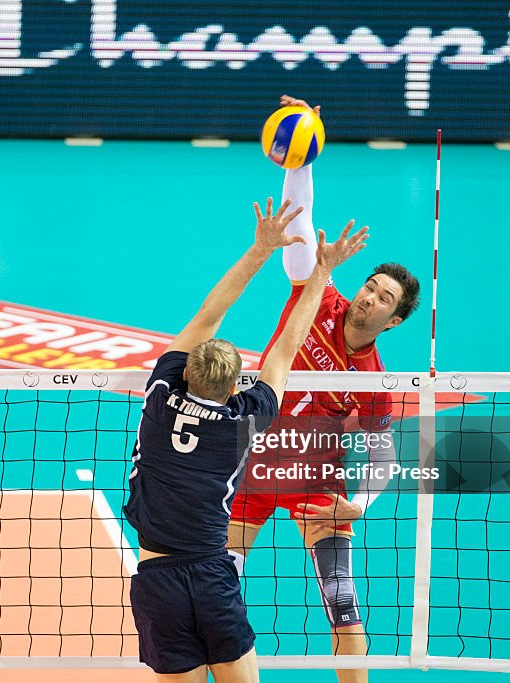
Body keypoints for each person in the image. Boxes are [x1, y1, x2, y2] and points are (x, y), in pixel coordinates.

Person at [124, 195, 368, 683]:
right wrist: (321, 273)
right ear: (235, 387)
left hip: (157, 583)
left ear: (185, 369)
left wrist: (259, 251)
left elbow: (208, 314)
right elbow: (287, 348)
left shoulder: (159, 394)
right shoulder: (244, 419)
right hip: (213, 579)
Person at [226, 97, 421, 683]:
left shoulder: (373, 382)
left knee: (343, 607)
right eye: (370, 285)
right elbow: (301, 223)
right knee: (217, 581)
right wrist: (301, 154)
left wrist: (360, 502)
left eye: (384, 298)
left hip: (316, 484)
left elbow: (384, 455)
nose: (370, 297)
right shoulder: (316, 296)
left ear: (393, 321)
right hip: (254, 464)